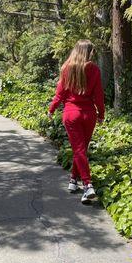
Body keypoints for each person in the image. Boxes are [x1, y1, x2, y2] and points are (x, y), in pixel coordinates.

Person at [48, 40, 105, 204]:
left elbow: (59, 93)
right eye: (92, 51)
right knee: (81, 149)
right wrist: (101, 114)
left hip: (71, 114)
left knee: (79, 150)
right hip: (89, 114)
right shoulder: (94, 69)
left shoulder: (67, 68)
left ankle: (85, 184)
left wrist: (52, 109)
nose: (93, 54)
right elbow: (99, 95)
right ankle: (77, 181)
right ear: (88, 52)